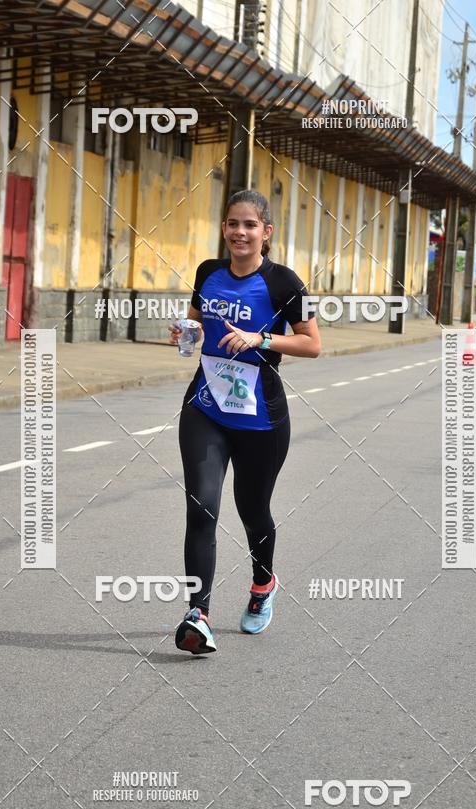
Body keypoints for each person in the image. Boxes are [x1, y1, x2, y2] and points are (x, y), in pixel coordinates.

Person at [168, 190, 321, 654]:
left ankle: (262, 584)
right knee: (202, 506)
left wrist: (261, 337)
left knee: (252, 511)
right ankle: (199, 614)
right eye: (233, 223)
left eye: (250, 224)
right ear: (224, 229)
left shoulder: (284, 283)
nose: (240, 232)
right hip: (205, 408)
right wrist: (185, 331)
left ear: (265, 233)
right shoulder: (208, 273)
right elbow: (194, 324)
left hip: (261, 420)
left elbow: (312, 344)